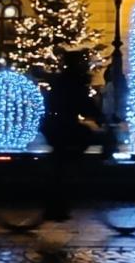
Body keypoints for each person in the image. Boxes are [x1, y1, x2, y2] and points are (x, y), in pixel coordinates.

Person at [40, 50, 103, 221]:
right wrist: (101, 118)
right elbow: (85, 104)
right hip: (60, 126)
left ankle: (58, 202)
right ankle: (56, 204)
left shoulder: (67, 79)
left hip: (56, 125)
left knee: (64, 160)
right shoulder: (73, 81)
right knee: (68, 158)